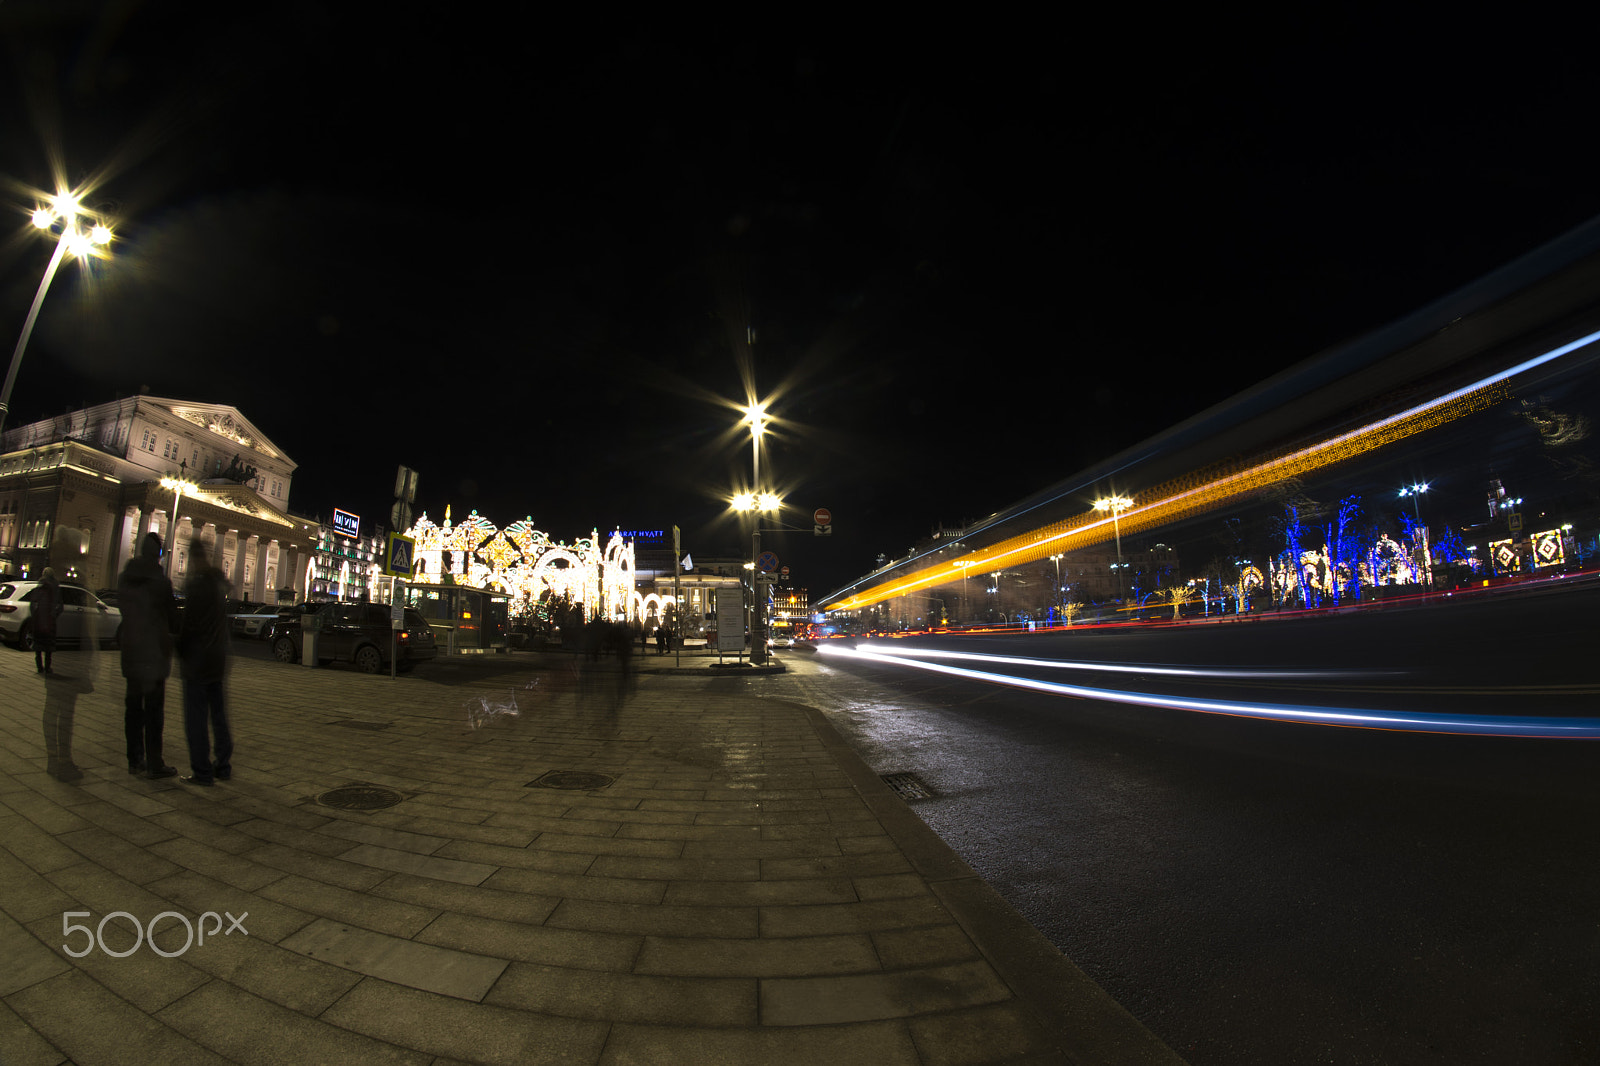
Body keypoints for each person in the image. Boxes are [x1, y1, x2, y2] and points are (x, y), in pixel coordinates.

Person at [118, 532, 179, 778]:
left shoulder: (125, 578)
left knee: (133, 709)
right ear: (159, 554)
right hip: (153, 654)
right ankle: (155, 762)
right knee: (154, 711)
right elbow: (173, 619)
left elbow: (123, 610)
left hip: (132, 651)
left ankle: (134, 760)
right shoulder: (161, 582)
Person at [177, 541, 233, 786]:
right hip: (217, 658)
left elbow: (189, 625)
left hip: (198, 660)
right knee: (219, 716)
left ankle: (202, 771)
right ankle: (223, 765)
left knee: (196, 719)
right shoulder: (218, 584)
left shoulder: (198, 585)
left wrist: (179, 649)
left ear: (194, 558)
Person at [33, 566, 63, 674]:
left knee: (38, 646)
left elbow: (34, 602)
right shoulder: (56, 585)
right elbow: (60, 604)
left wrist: (35, 614)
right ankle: (47, 667)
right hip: (50, 619)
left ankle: (39, 667)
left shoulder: (40, 584)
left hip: (40, 618)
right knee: (48, 647)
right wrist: (55, 614)